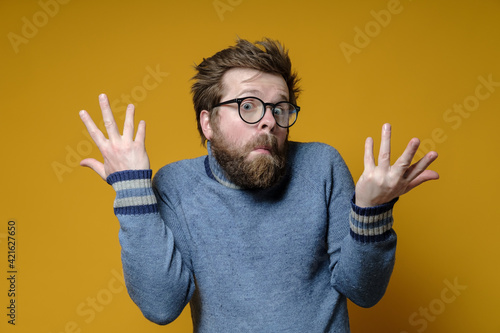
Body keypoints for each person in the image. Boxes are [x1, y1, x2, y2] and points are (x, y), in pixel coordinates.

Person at [79, 38, 438, 332]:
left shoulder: (322, 165)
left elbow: (364, 291)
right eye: (248, 105)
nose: (268, 121)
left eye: (280, 109)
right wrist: (133, 192)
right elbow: (161, 306)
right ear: (208, 123)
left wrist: (371, 211)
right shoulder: (176, 185)